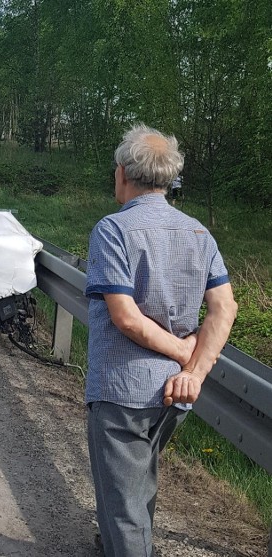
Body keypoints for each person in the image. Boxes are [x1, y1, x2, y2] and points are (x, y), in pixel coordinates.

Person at [85, 124, 238, 557]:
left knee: (122, 506)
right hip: (174, 393)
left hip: (122, 390)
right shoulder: (198, 233)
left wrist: (181, 351)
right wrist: (193, 370)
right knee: (138, 484)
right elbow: (225, 308)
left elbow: (125, 317)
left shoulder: (113, 230)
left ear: (122, 174)